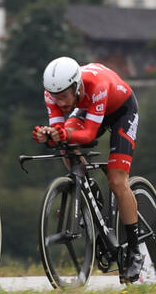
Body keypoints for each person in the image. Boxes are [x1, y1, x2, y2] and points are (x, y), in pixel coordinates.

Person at [32, 57, 143, 282]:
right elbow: (58, 130)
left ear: (77, 86)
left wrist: (64, 133)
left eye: (64, 97)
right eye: (56, 98)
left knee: (117, 180)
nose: (61, 103)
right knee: (66, 144)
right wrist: (49, 135)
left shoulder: (97, 86)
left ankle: (135, 251)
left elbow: (90, 134)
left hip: (122, 111)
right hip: (88, 109)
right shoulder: (52, 93)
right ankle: (86, 188)